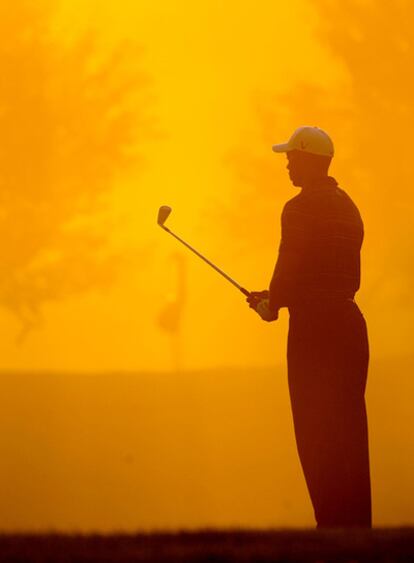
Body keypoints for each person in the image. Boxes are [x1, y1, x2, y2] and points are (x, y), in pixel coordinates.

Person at [248, 126, 371, 528]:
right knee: (349, 429)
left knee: (316, 428)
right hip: (350, 324)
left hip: (314, 331)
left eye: (291, 158)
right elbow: (321, 271)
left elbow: (292, 264)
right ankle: (355, 525)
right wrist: (279, 296)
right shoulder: (349, 205)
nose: (286, 164)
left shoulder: (297, 208)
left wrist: (274, 302)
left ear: (307, 160)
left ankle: (331, 524)